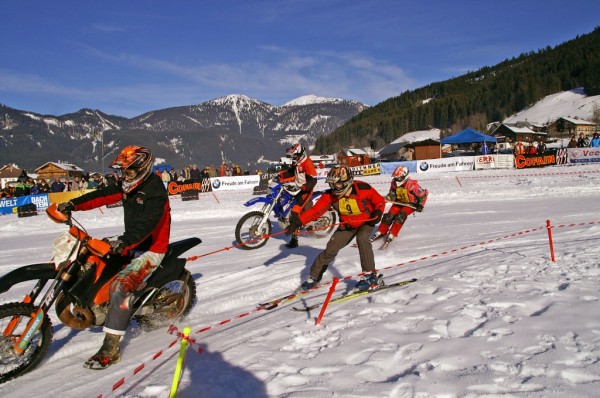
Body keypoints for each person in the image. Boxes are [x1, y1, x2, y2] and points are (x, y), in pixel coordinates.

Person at [56, 146, 171, 370]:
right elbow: (102, 195)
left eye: (128, 172)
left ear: (142, 168)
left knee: (120, 286)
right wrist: (73, 204)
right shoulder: (125, 186)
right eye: (122, 172)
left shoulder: (155, 190)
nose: (123, 176)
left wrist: (125, 241)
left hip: (151, 248)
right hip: (129, 243)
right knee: (90, 259)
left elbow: (149, 223)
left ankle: (110, 348)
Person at [286, 165, 386, 292]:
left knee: (362, 240)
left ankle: (370, 277)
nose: (334, 188)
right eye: (332, 185)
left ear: (346, 182)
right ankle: (314, 277)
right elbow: (316, 211)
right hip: (347, 225)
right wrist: (298, 221)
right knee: (330, 249)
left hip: (366, 222)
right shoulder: (330, 195)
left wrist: (378, 212)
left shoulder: (363, 188)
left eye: (337, 184)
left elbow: (380, 202)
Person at [370, 166, 428, 246]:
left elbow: (423, 194)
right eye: (396, 177)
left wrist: (421, 205)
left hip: (410, 204)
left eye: (398, 178)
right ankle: (381, 231)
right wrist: (385, 198)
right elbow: (392, 194)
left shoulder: (412, 185)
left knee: (400, 216)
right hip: (399, 202)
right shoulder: (394, 183)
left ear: (404, 176)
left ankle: (392, 233)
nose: (396, 180)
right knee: (388, 216)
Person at [278, 144, 318, 248]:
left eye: (295, 156)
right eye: (293, 156)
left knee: (295, 211)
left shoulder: (307, 163)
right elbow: (290, 172)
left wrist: (305, 188)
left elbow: (313, 179)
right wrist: (279, 175)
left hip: (306, 190)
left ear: (300, 154)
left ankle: (294, 240)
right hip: (297, 188)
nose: (293, 158)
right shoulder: (297, 162)